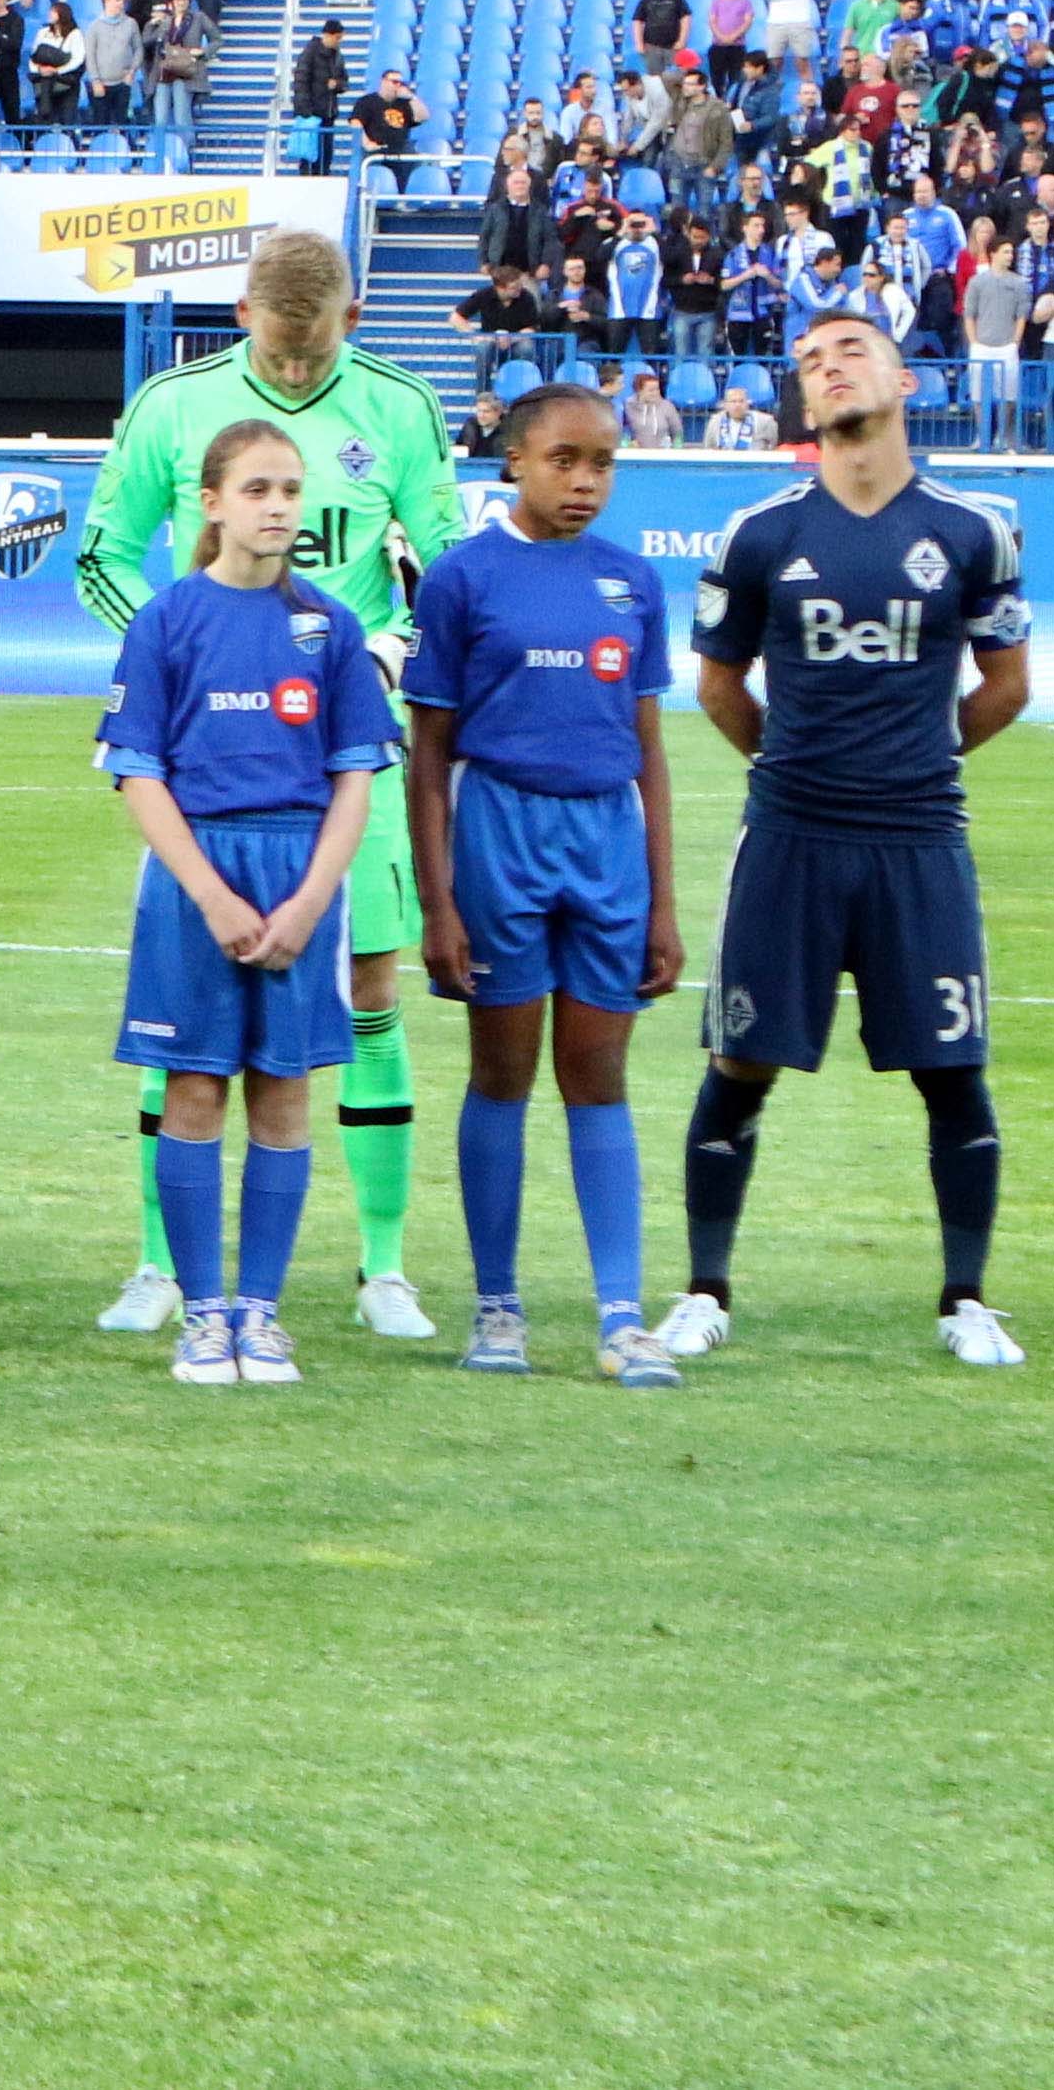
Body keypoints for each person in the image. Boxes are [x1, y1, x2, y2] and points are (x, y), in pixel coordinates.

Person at [74, 230, 462, 1341]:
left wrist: (397, 653)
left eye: (317, 348)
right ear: (243, 311)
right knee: (182, 1020)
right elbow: (103, 553)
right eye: (279, 350)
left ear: (351, 316)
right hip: (213, 760)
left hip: (343, 747)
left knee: (369, 992)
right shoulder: (171, 406)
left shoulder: (398, 406)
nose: (295, 372)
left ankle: (382, 1267)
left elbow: (446, 564)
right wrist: (180, 662)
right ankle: (160, 1263)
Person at [664, 312, 1028, 1370]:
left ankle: (964, 1300)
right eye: (810, 362)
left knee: (949, 1067)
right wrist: (796, 765)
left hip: (919, 838)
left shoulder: (971, 531)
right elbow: (719, 685)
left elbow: (1006, 683)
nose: (827, 368)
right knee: (740, 1061)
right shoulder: (760, 535)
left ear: (904, 379)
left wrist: (919, 756)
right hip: (789, 835)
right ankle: (702, 1289)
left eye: (849, 351)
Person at [97, 420, 400, 1384]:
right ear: (213, 502)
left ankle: (262, 1313)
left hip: (300, 872)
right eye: (258, 488)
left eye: (290, 490)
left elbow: (357, 774)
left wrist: (312, 902)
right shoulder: (168, 619)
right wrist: (212, 894)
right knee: (192, 1088)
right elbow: (139, 773)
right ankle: (204, 1313)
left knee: (284, 1093)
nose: (277, 506)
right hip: (198, 880)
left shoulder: (329, 627)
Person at [406, 386, 684, 1386]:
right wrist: (437, 906)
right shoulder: (462, 578)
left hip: (605, 839)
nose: (584, 481)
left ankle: (621, 1315)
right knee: (503, 1073)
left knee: (599, 1074)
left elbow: (646, 747)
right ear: (512, 462)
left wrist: (662, 901)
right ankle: (496, 1309)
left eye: (602, 463)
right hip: (501, 835)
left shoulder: (630, 582)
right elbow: (427, 752)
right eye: (564, 459)